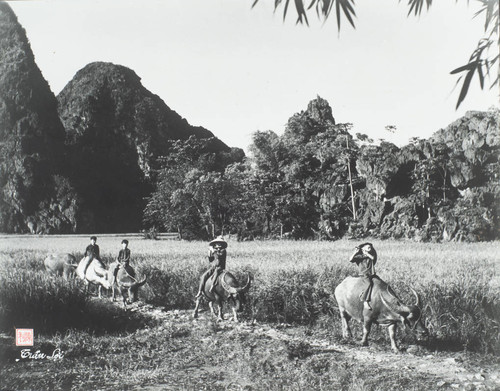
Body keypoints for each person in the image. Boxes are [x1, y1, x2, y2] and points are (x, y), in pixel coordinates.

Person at [349, 242, 378, 310]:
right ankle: (365, 300)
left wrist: (367, 253)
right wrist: (355, 252)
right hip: (364, 274)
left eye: (370, 247)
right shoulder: (360, 257)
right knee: (368, 284)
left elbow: (373, 258)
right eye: (368, 247)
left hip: (372, 273)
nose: (370, 248)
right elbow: (350, 260)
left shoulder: (370, 255)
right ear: (363, 249)